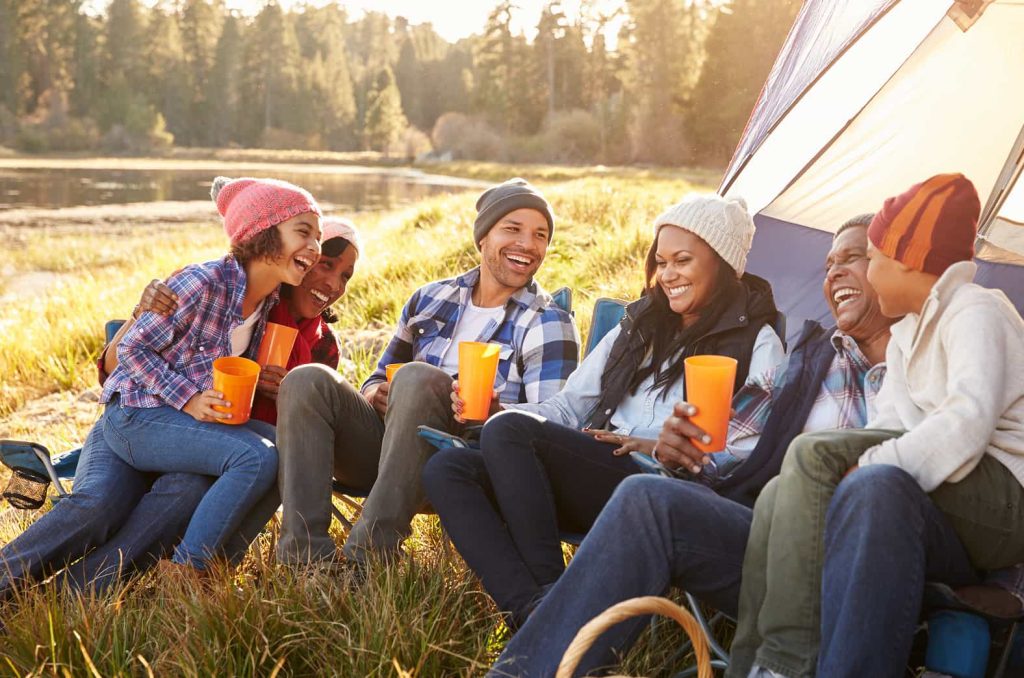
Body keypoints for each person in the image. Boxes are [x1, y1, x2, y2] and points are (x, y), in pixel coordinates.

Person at [486, 212, 896, 677]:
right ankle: (538, 639)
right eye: (828, 264)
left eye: (854, 258)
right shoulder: (817, 357)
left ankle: (538, 631)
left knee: (646, 496)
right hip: (764, 539)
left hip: (844, 556)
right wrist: (691, 454)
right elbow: (738, 446)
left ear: (895, 266)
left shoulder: (926, 359)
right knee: (644, 495)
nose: (834, 272)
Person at [424, 193, 786, 631]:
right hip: (594, 471)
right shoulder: (641, 324)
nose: (668, 275)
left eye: (683, 261)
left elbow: (753, 451)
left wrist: (661, 446)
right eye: (661, 262)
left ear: (724, 265)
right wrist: (504, 412)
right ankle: (534, 610)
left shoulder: (758, 343)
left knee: (509, 433)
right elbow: (569, 406)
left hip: (660, 489)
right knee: (449, 467)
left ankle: (558, 612)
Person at [730, 173, 1024, 678]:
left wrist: (865, 465)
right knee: (783, 490)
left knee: (814, 455)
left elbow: (967, 422)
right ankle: (748, 664)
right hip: (954, 496)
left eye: (872, 259)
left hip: (1004, 500)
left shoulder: (975, 311)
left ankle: (787, 662)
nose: (860, 273)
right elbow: (889, 423)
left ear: (905, 261)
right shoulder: (910, 333)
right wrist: (848, 468)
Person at [0, 176, 323, 594]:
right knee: (102, 506)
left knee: (281, 447)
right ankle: (190, 572)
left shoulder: (266, 305)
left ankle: (64, 599)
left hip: (174, 429)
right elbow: (131, 351)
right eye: (304, 232)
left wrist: (257, 383)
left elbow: (205, 363)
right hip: (136, 414)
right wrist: (188, 399)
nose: (314, 247)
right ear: (262, 233)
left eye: (318, 236)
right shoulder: (201, 282)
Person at [274, 178, 580, 569]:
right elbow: (376, 376)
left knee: (419, 378)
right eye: (513, 229)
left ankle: (369, 559)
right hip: (387, 452)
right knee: (306, 379)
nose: (528, 244)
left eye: (540, 235)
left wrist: (497, 412)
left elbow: (554, 425)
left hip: (467, 460)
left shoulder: (546, 321)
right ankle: (305, 563)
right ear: (483, 237)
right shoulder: (430, 299)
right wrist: (375, 394)